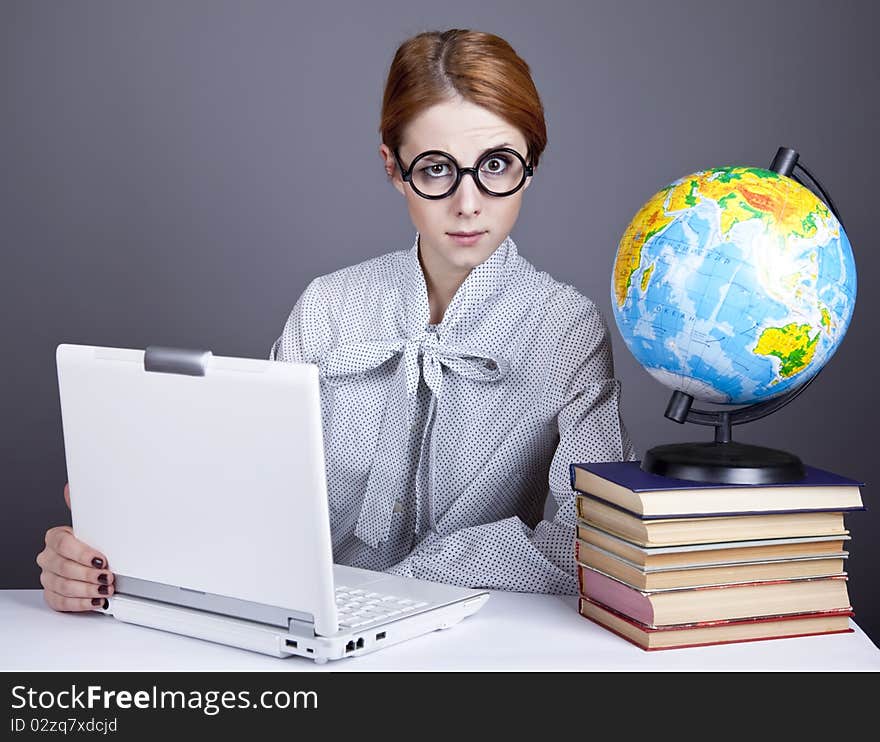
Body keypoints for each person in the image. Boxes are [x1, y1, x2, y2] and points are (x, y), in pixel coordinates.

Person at [38, 28, 636, 612]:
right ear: (393, 167)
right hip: (308, 630)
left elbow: (600, 538)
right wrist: (113, 550)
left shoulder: (566, 328)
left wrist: (428, 578)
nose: (469, 202)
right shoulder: (328, 308)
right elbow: (248, 496)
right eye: (434, 168)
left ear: (532, 162)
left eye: (498, 164)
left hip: (479, 639)